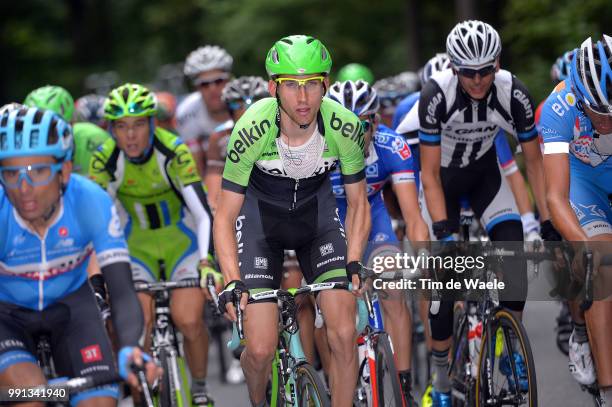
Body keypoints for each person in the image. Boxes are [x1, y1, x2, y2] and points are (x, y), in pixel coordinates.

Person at [213, 35, 370, 407]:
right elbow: (225, 215)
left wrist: (354, 260)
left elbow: (358, 203)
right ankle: (259, 399)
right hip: (261, 226)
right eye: (293, 87)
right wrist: (233, 280)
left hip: (317, 223)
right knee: (261, 349)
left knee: (345, 333)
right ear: (274, 88)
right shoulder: (251, 128)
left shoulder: (345, 127)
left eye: (313, 85)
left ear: (325, 85)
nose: (304, 98)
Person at [419, 20, 558, 406]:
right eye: (469, 72)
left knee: (512, 252)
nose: (478, 80)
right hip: (442, 186)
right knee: (444, 287)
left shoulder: (514, 92)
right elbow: (428, 174)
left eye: (485, 70)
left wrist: (545, 221)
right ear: (454, 67)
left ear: (496, 63)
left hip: (485, 181)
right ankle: (441, 379)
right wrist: (443, 231)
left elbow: (534, 163)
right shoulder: (436, 93)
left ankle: (507, 344)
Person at [0, 106, 158, 406]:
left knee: (99, 402)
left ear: (65, 171)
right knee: (31, 394)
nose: (23, 188)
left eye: (39, 171)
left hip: (72, 307)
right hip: (6, 315)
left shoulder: (90, 201)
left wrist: (128, 349)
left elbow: (123, 291)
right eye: (10, 173)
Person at [88, 83, 218, 406]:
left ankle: (199, 388)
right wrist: (100, 278)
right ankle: (141, 396)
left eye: (137, 125)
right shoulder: (105, 160)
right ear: (111, 129)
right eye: (121, 126)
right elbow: (96, 224)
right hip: (137, 248)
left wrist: (206, 262)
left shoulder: (173, 150)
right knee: (137, 328)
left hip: (181, 242)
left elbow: (203, 214)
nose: (130, 136)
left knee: (188, 320)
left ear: (151, 123)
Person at [327, 79, 429, 404]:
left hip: (374, 216)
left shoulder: (391, 145)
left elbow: (413, 217)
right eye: (341, 125)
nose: (351, 133)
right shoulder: (316, 149)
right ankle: (332, 382)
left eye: (360, 124)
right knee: (327, 308)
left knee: (393, 288)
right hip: (329, 223)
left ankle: (404, 386)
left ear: (375, 120)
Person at [540, 34, 612, 403]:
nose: (605, 120)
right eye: (597, 110)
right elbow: (555, 195)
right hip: (582, 183)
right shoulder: (558, 106)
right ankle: (606, 387)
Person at [24, 85, 112, 320]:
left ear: (72, 126)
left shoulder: (94, 139)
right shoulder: (21, 155)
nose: (48, 139)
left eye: (58, 129)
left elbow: (107, 202)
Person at [205, 76, 269, 211]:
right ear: (229, 110)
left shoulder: (283, 128)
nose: (246, 110)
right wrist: (214, 204)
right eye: (238, 105)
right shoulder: (220, 137)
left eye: (254, 103)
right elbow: (214, 174)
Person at [177, 45, 233, 177]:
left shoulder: (246, 102)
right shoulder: (187, 112)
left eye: (219, 81)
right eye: (204, 84)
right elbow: (195, 170)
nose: (212, 89)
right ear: (196, 87)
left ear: (229, 80)